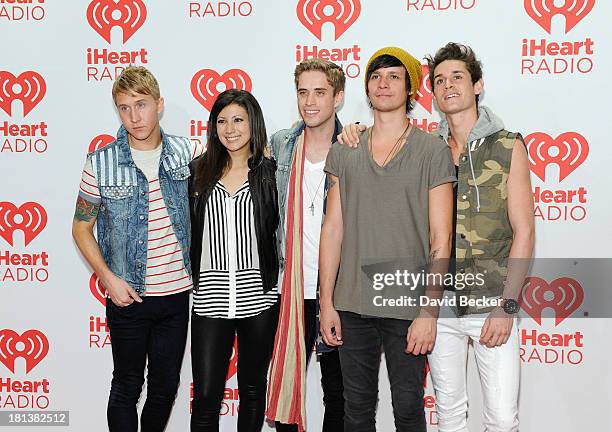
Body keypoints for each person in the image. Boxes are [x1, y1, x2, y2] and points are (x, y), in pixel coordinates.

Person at [339, 42, 535, 432]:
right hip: (437, 306)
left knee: (500, 417)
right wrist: (354, 130)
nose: (447, 86)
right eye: (440, 80)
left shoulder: (509, 145)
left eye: (457, 77)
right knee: (448, 415)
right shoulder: (427, 148)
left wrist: (508, 307)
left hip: (490, 303)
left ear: (478, 85)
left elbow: (525, 232)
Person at [319, 47, 455, 432]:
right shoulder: (346, 149)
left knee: (408, 409)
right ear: (366, 87)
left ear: (411, 90)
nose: (384, 83)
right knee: (355, 410)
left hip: (406, 303)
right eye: (376, 76)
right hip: (351, 303)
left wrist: (429, 312)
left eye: (394, 76)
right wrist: (327, 303)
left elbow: (441, 239)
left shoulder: (432, 150)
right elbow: (333, 230)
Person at [72, 65, 204, 432]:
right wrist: (108, 279)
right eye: (124, 107)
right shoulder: (100, 162)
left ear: (159, 104)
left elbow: (241, 147)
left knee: (165, 387)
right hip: (127, 295)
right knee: (127, 385)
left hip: (177, 295)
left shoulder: (187, 151)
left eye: (141, 105)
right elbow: (81, 227)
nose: (134, 116)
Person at [189, 89, 280, 432]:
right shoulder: (197, 173)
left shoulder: (270, 174)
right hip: (209, 301)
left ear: (253, 123)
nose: (229, 128)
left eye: (238, 120)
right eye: (221, 121)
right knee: (207, 396)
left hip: (260, 299)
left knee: (253, 391)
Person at [266, 59, 346, 432]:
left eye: (320, 92)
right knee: (285, 387)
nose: (310, 101)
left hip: (338, 288)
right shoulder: (282, 145)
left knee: (338, 392)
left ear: (338, 98)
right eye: (303, 92)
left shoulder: (353, 148)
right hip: (290, 290)